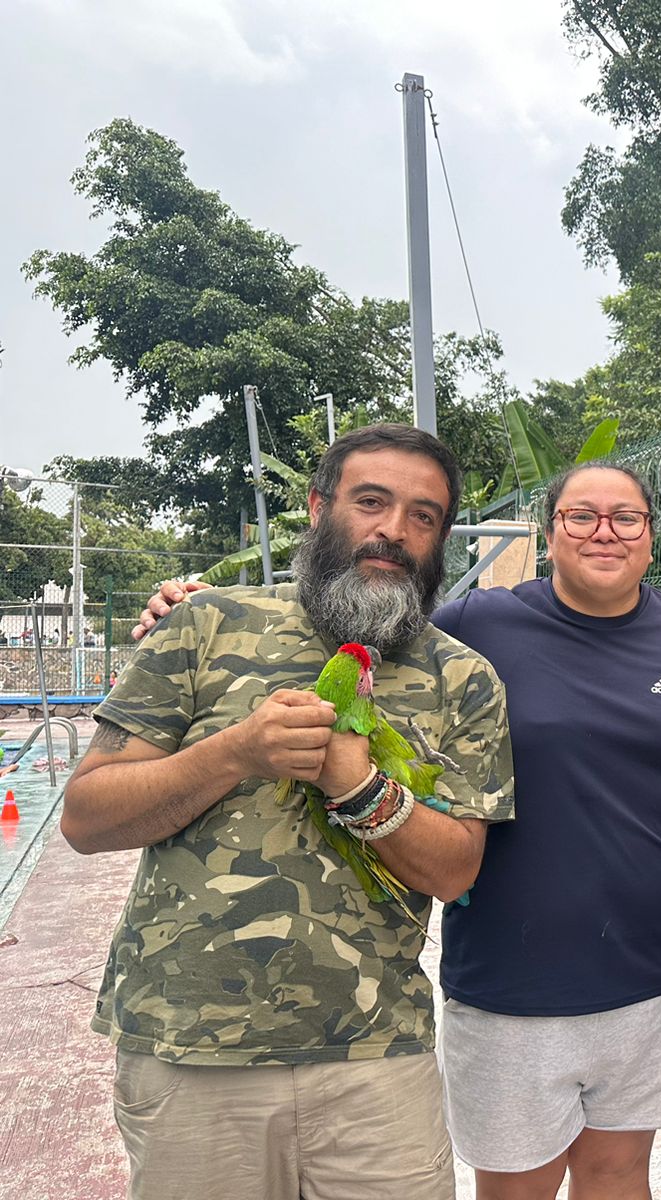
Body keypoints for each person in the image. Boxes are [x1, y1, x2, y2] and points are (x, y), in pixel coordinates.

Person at [134, 459, 661, 1200]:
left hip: (653, 966)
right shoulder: (479, 625)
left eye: (627, 518)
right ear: (549, 535)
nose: (604, 532)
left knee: (619, 1174)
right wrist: (189, 611)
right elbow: (348, 623)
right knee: (518, 1183)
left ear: (652, 536)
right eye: (580, 516)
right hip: (513, 972)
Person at [64, 423, 515, 1200]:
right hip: (188, 1053)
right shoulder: (205, 626)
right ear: (317, 508)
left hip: (376, 1059)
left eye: (423, 516)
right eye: (371, 501)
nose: (393, 531)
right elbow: (86, 817)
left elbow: (455, 869)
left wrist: (361, 786)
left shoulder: (463, 679)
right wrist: (235, 752)